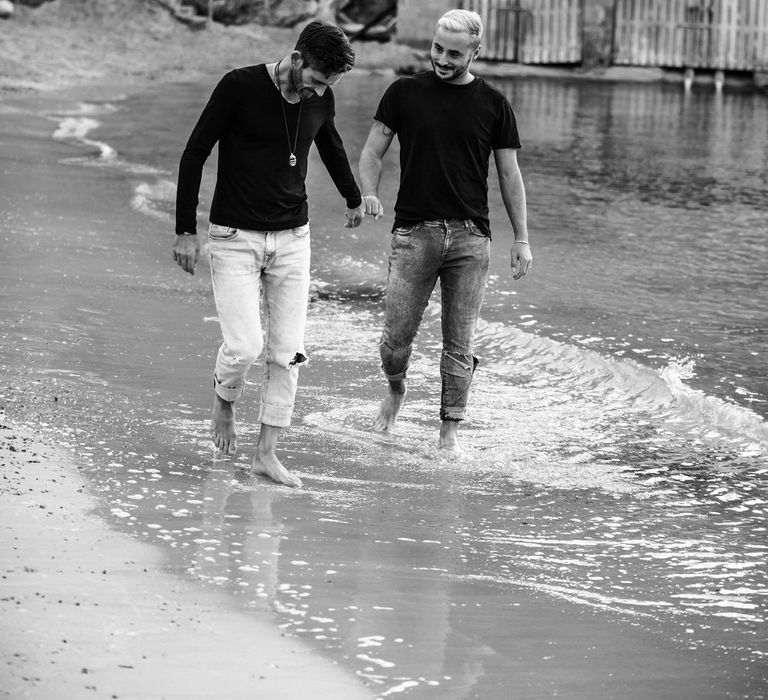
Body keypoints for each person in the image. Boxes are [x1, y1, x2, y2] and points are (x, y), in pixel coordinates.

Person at [173, 21, 364, 487]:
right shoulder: (238, 86)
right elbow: (195, 152)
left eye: (328, 86)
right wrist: (184, 231)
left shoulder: (321, 97)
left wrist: (353, 197)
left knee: (287, 354)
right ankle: (224, 399)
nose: (320, 91)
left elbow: (331, 143)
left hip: (293, 239)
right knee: (244, 347)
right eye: (317, 80)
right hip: (234, 236)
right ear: (297, 59)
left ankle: (266, 454)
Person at [358, 8, 532, 455]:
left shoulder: (494, 104)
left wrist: (522, 238)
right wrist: (369, 192)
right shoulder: (404, 92)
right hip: (414, 233)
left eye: (455, 53)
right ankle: (396, 390)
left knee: (460, 343)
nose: (443, 58)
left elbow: (510, 176)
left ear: (477, 51)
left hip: (471, 237)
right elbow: (372, 151)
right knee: (394, 343)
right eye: (438, 48)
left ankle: (449, 431)